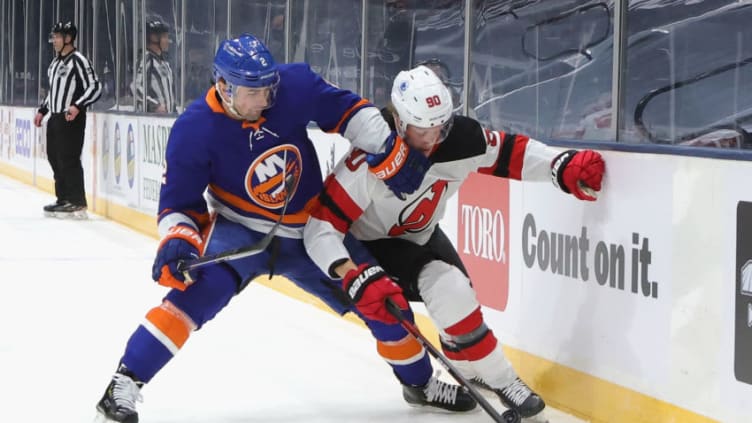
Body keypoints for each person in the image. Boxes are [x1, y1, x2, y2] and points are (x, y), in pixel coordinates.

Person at [95, 34, 465, 423]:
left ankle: (420, 383)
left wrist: (388, 150)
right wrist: (177, 243)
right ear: (223, 86)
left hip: (313, 231)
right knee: (194, 295)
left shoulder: (292, 85)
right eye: (253, 92)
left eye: (268, 89)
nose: (265, 99)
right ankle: (125, 383)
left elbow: (349, 111)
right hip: (242, 231)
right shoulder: (193, 130)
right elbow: (178, 205)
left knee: (380, 298)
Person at [303, 65, 606, 418]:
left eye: (440, 127)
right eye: (422, 129)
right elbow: (321, 226)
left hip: (420, 235)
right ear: (399, 123)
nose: (432, 139)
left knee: (459, 301)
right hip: (369, 245)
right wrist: (348, 271)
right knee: (448, 292)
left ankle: (468, 358)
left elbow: (510, 153)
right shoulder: (370, 157)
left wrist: (561, 165)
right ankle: (486, 381)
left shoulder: (461, 139)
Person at [34, 21, 102, 219]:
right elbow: (53, 91)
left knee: (69, 158)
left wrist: (77, 105)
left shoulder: (78, 60)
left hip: (70, 118)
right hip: (55, 118)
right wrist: (42, 110)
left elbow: (94, 86)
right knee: (55, 156)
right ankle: (63, 197)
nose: (54, 40)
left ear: (68, 38)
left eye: (57, 36)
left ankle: (77, 201)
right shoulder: (55, 63)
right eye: (53, 36)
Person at [131, 17, 175, 114]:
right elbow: (136, 87)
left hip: (167, 121)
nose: (168, 41)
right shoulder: (146, 59)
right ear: (154, 38)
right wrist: (155, 106)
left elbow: (170, 93)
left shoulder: (165, 63)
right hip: (152, 120)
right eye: (165, 37)